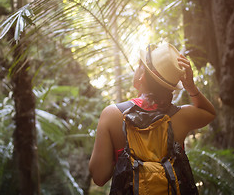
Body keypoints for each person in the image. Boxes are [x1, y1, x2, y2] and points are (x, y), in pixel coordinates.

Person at [89, 42, 216, 188]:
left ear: (142, 76)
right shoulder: (182, 116)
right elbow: (209, 113)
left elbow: (99, 177)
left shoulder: (112, 115)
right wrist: (190, 86)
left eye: (140, 65)